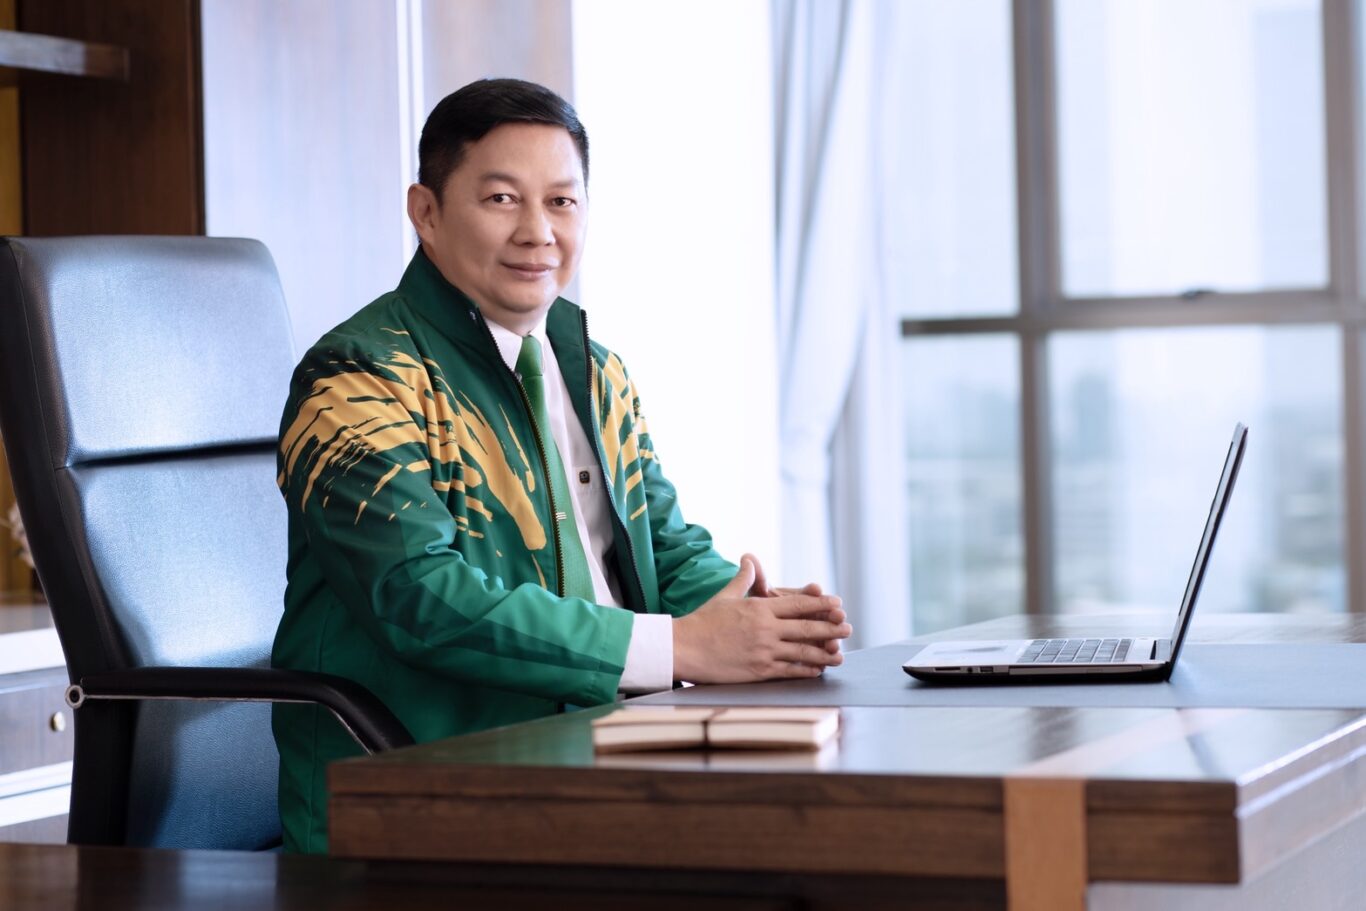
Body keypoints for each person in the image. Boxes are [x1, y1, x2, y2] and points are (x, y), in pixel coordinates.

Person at [272, 78, 851, 853]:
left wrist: (760, 622)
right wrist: (681, 648)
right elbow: (418, 596)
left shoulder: (593, 371)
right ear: (426, 213)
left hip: (600, 761)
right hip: (416, 796)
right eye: (502, 199)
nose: (538, 232)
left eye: (562, 202)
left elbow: (660, 546)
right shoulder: (357, 377)